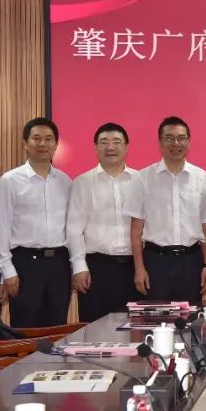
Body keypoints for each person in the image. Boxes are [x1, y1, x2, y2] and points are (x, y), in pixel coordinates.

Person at [125, 116, 206, 304]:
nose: (175, 143)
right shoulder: (143, 178)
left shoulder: (202, 178)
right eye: (169, 138)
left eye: (181, 138)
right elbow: (136, 231)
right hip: (156, 262)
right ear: (160, 143)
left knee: (190, 316)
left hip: (191, 261)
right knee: (155, 317)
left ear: (188, 141)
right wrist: (139, 268)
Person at [0, 117, 72, 327]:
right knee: (25, 328)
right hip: (25, 264)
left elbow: (71, 227)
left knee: (57, 327)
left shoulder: (65, 181)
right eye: (36, 138)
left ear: (56, 144)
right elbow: (1, 228)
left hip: (59, 264)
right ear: (25, 144)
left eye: (48, 139)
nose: (42, 143)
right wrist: (7, 270)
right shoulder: (10, 180)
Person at [66, 122, 140, 321]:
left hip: (133, 267)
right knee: (94, 328)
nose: (110, 147)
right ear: (95, 148)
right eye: (104, 142)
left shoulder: (140, 180)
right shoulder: (82, 182)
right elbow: (74, 229)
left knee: (134, 328)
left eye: (116, 141)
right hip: (96, 268)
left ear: (126, 147)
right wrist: (79, 266)